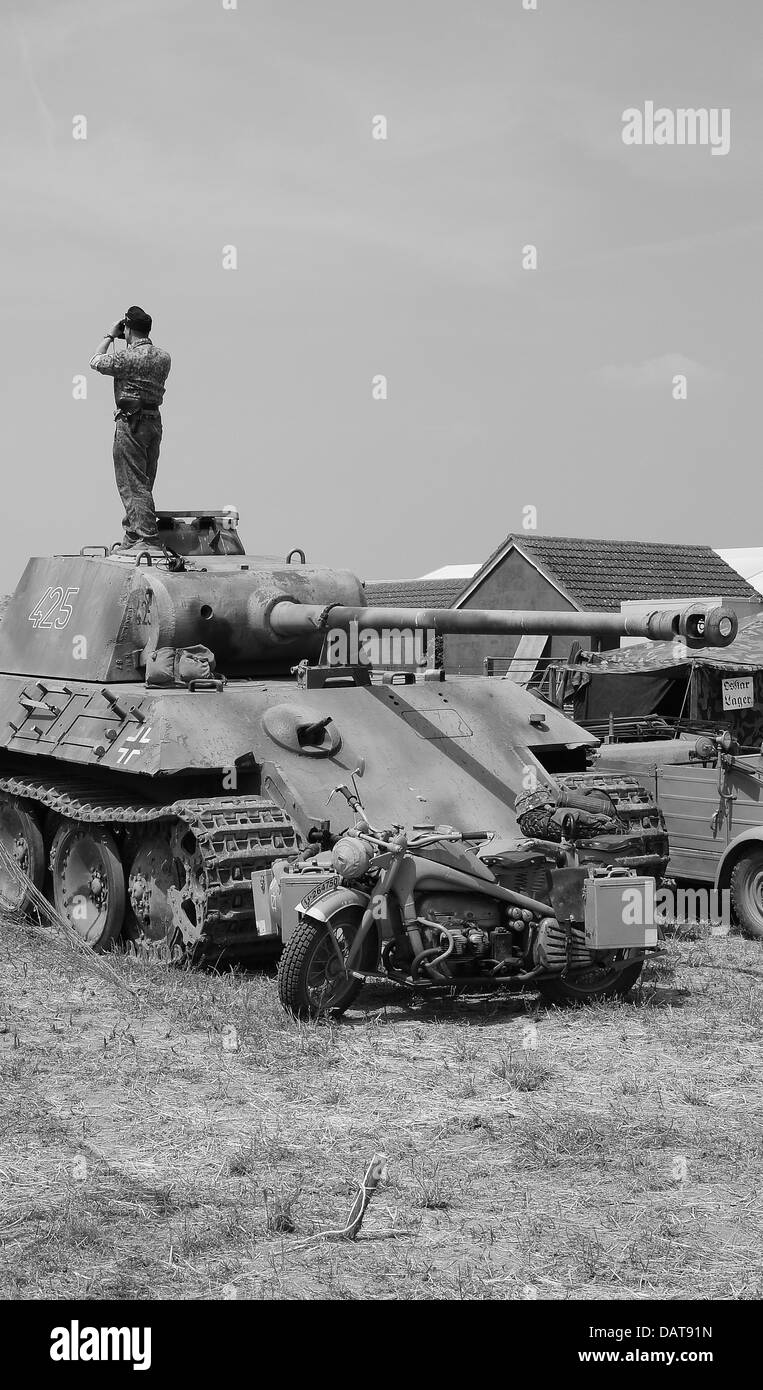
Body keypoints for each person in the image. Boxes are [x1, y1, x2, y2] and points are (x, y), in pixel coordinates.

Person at [90, 307, 171, 550]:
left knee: (131, 483)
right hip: (153, 422)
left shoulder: (127, 359)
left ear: (128, 329)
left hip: (131, 423)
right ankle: (133, 535)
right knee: (143, 482)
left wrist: (109, 335)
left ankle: (147, 539)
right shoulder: (163, 357)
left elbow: (94, 361)